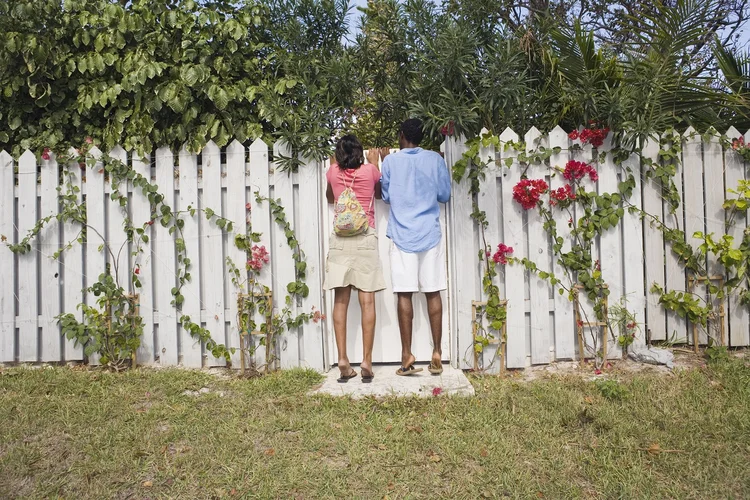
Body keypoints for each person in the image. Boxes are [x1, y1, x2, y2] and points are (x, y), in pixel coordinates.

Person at [381, 119, 451, 376]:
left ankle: (406, 355)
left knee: (405, 294)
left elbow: (386, 196)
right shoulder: (435, 159)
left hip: (402, 236)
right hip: (430, 234)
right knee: (433, 292)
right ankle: (437, 353)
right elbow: (444, 195)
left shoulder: (390, 162)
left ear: (401, 135)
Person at [324, 134, 386, 383]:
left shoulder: (332, 172)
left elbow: (331, 198)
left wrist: (334, 166)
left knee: (340, 300)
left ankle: (342, 359)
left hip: (340, 240)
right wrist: (376, 163)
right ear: (360, 152)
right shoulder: (370, 171)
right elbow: (380, 195)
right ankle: (367, 361)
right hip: (364, 238)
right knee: (367, 301)